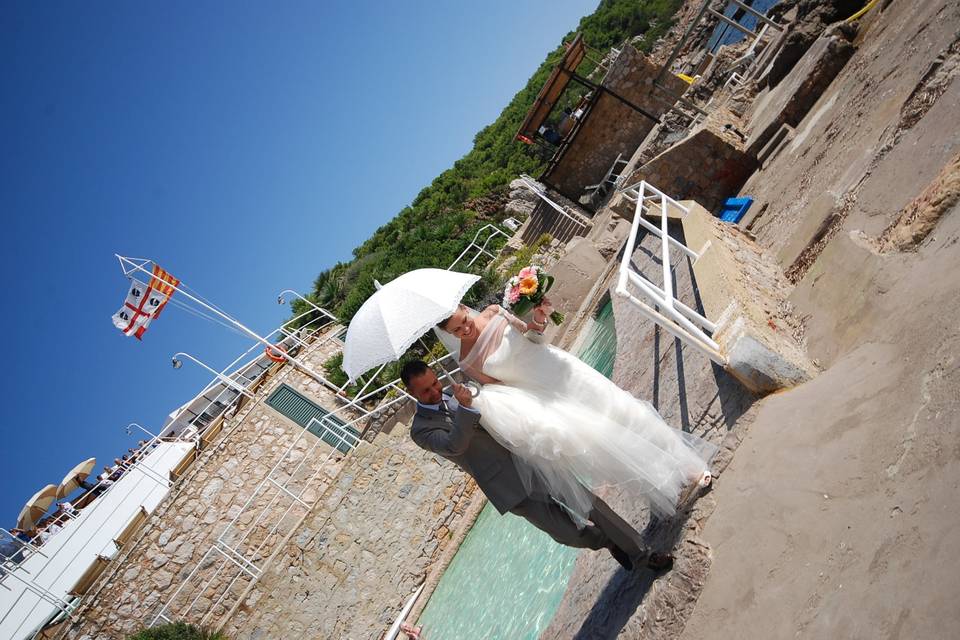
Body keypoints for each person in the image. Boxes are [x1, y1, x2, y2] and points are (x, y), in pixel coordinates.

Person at [436, 300, 716, 521]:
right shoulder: (466, 361)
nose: (464, 331)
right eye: (456, 331)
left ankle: (689, 466)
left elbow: (533, 336)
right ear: (448, 335)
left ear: (464, 308)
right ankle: (664, 480)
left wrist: (541, 316)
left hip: (563, 369)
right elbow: (504, 392)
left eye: (463, 322)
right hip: (547, 396)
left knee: (625, 409)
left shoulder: (496, 312)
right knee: (605, 437)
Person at [403, 360, 673, 571]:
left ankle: (642, 555)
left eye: (435, 383)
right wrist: (465, 409)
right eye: (425, 391)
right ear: (411, 393)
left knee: (592, 507)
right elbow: (453, 446)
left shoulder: (458, 391)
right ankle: (609, 541)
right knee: (567, 534)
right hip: (508, 486)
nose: (435, 391)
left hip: (531, 461)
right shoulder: (421, 431)